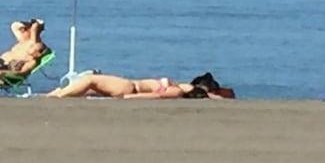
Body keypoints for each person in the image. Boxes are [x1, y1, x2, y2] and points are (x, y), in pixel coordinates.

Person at [48, 72, 233, 99]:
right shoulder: (180, 88)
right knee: (89, 86)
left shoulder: (177, 91)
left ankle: (59, 95)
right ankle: (59, 93)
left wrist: (130, 97)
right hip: (130, 87)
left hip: (130, 87)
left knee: (90, 79)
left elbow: (156, 96)